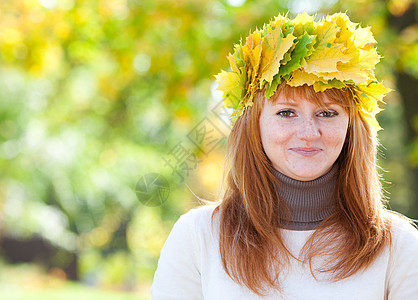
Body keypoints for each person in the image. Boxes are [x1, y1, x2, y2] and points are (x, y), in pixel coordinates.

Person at [150, 12, 418, 299]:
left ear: (351, 125)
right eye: (286, 112)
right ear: (255, 126)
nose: (308, 132)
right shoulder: (198, 236)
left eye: (327, 113)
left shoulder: (398, 245)